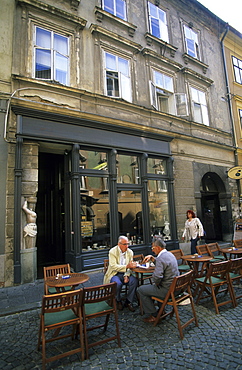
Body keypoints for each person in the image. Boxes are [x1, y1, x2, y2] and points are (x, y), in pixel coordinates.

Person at [137, 238, 179, 323]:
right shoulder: (170, 254)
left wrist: (156, 283)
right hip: (176, 289)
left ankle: (154, 314)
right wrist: (153, 259)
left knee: (140, 290)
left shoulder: (161, 258)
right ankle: (161, 310)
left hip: (167, 290)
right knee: (154, 287)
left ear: (158, 248)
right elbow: (164, 264)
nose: (152, 250)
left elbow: (157, 277)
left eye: (153, 248)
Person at [103, 236, 138, 312]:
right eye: (125, 244)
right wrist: (126, 266)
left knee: (134, 281)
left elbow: (130, 266)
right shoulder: (112, 251)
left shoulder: (130, 252)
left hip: (125, 273)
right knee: (117, 284)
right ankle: (118, 300)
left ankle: (129, 301)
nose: (127, 246)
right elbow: (114, 266)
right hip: (115, 273)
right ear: (119, 244)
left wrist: (127, 275)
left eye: (128, 244)